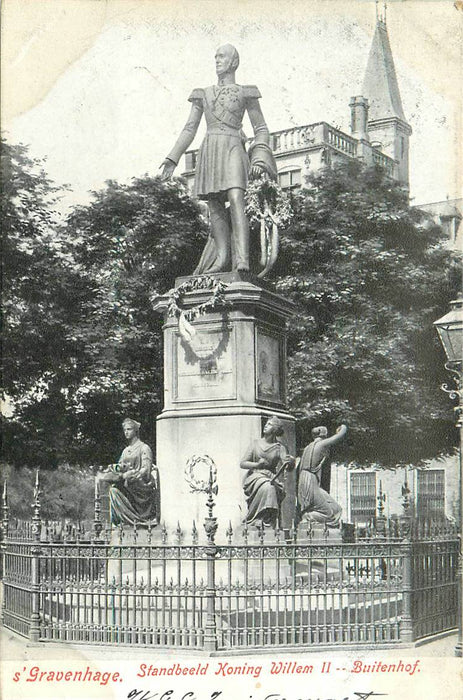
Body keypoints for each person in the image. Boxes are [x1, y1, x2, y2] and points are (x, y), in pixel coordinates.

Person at [160, 44, 276, 274]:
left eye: (222, 56)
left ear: (234, 62)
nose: (217, 60)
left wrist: (259, 159)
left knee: (235, 197)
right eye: (215, 56)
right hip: (210, 148)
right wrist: (172, 158)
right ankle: (222, 258)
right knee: (214, 203)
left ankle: (242, 260)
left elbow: (261, 128)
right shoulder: (203, 94)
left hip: (233, 146)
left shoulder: (246, 92)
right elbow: (189, 128)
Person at [96, 418, 159, 526]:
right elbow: (119, 467)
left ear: (135, 431)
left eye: (129, 429)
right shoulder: (125, 451)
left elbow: (146, 469)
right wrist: (118, 473)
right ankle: (124, 522)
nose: (126, 432)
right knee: (113, 491)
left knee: (124, 484)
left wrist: (134, 474)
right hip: (128, 484)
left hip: (140, 487)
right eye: (125, 430)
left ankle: (138, 520)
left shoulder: (144, 448)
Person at [240, 415, 295, 528]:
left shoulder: (280, 447)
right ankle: (256, 519)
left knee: (270, 487)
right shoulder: (255, 444)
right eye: (266, 424)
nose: (266, 426)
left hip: (271, 477)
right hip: (255, 476)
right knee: (268, 488)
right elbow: (243, 463)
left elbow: (287, 466)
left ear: (275, 430)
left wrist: (291, 462)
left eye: (269, 424)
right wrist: (257, 464)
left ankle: (267, 521)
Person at [297, 425, 347, 527]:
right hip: (310, 481)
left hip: (308, 481)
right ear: (323, 435)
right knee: (329, 515)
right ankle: (307, 518)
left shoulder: (308, 447)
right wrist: (343, 427)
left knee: (336, 509)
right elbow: (339, 436)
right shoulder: (321, 444)